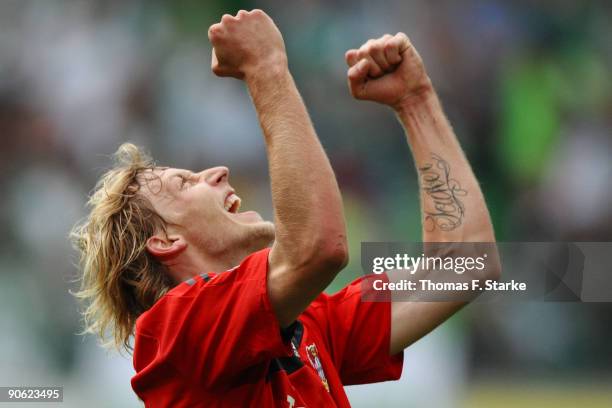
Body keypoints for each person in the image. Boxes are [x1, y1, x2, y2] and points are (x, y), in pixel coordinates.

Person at [71, 9, 499, 408]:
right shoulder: (177, 331)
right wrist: (265, 66)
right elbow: (319, 248)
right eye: (185, 182)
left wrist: (417, 103)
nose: (217, 172)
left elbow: (465, 266)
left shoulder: (308, 325)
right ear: (165, 241)